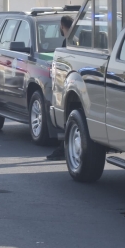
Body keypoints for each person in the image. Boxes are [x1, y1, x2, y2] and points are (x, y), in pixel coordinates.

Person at [45, 14, 76, 161]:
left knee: (66, 118)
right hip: (75, 85)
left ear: (62, 26)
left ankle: (64, 148)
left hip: (70, 85)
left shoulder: (68, 42)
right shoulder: (79, 39)